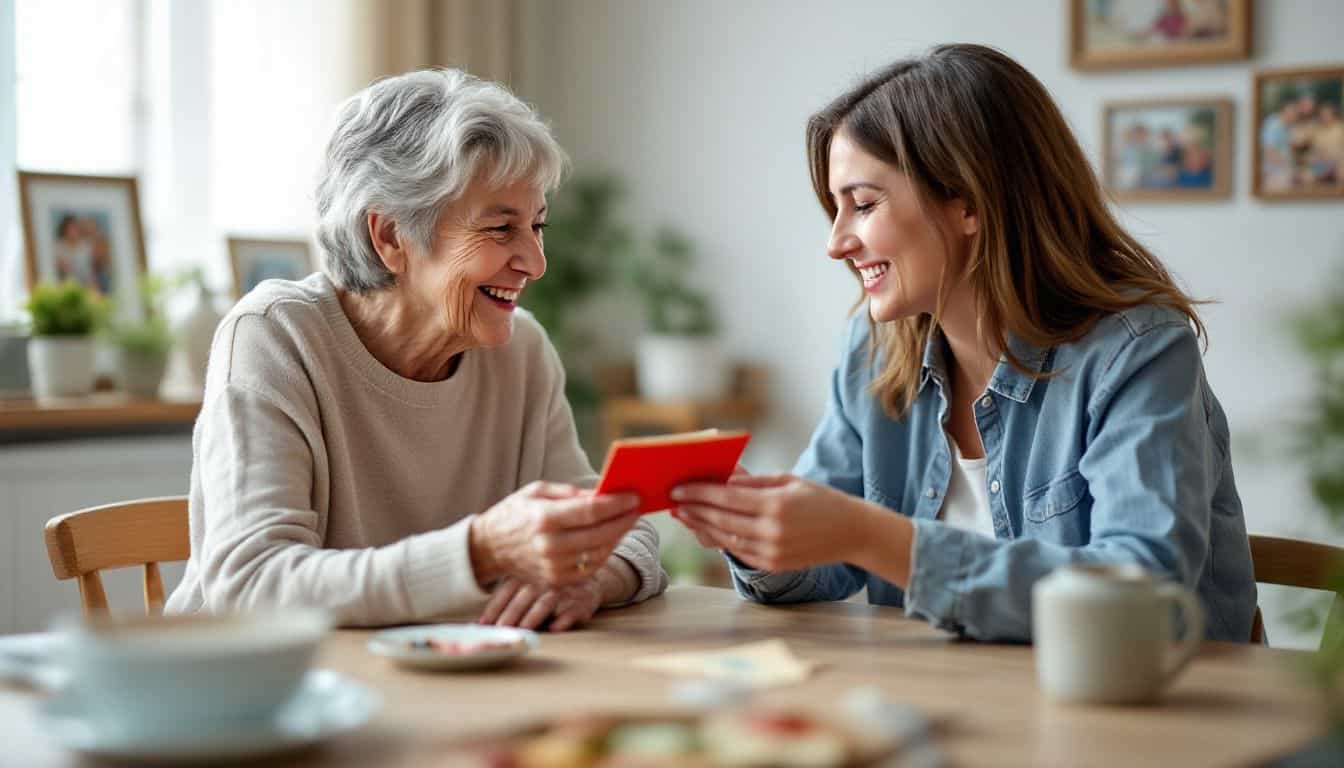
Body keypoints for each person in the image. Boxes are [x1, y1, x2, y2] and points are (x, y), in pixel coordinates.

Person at [670, 44, 1255, 643]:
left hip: (1145, 718)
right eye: (835, 210)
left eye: (864, 205)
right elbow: (826, 563)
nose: (838, 242)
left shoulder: (1136, 350)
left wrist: (872, 536)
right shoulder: (875, 350)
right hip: (956, 703)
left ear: (968, 202)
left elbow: (1142, 598)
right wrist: (759, 533)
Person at [166, 69, 667, 629]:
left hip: (435, 688)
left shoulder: (521, 351)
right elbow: (252, 586)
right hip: (260, 695)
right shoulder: (277, 337)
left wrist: (590, 580)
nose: (535, 261)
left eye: (537, 226)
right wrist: (479, 552)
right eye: (502, 229)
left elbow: (623, 534)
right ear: (389, 237)